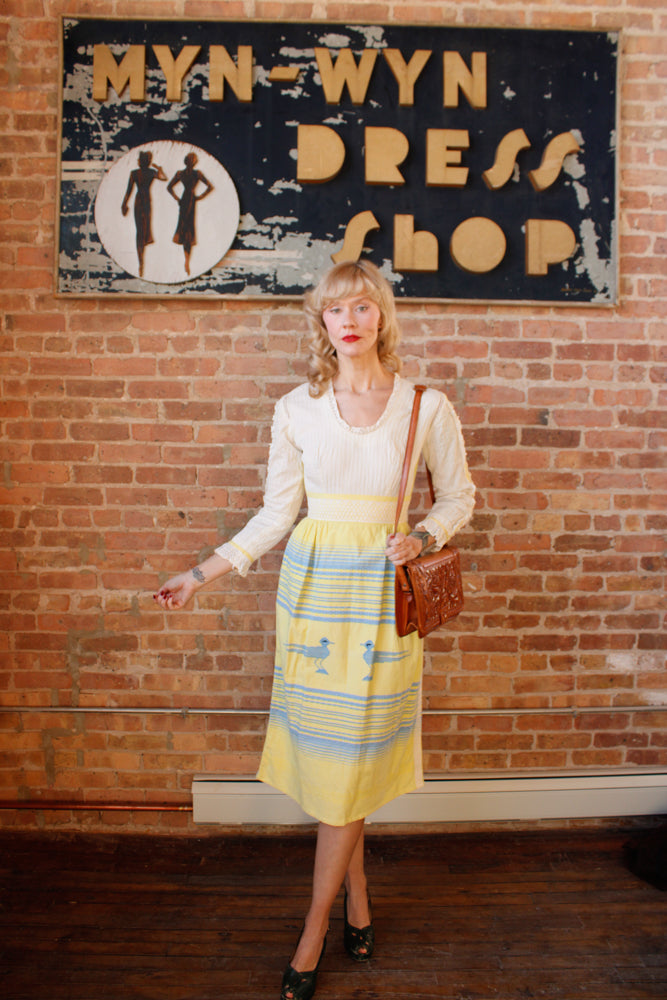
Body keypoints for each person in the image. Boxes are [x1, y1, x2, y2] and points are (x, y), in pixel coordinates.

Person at [154, 260, 476, 1000]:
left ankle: (312, 930)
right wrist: (199, 574)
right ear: (322, 324)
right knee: (334, 766)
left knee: (349, 761)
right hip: (312, 595)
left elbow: (458, 495)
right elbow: (276, 514)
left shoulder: (424, 406)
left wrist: (423, 536)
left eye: (364, 307)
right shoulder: (296, 407)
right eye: (337, 310)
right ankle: (358, 905)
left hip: (380, 596)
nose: (351, 320)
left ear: (381, 318)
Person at [121, 150, 167, 277]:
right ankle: (141, 262)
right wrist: (159, 169)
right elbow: (163, 177)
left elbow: (128, 191)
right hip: (145, 201)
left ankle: (141, 260)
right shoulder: (150, 172)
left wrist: (124, 204)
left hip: (139, 201)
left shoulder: (135, 173)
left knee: (141, 230)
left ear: (142, 161)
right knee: (142, 230)